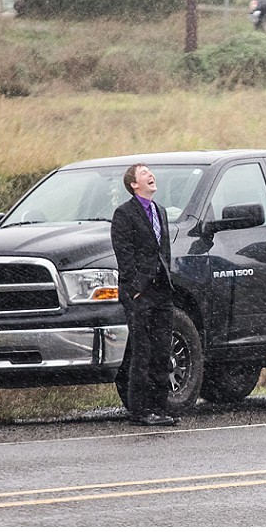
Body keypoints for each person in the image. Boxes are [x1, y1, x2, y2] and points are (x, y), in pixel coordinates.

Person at [111, 163, 179, 427]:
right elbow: (124, 253)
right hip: (140, 292)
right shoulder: (124, 213)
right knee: (143, 351)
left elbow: (164, 250)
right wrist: (136, 287)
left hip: (162, 290)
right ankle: (140, 409)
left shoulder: (159, 210)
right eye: (144, 174)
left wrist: (166, 278)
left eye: (150, 172)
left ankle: (160, 407)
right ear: (133, 184)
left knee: (163, 349)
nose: (150, 175)